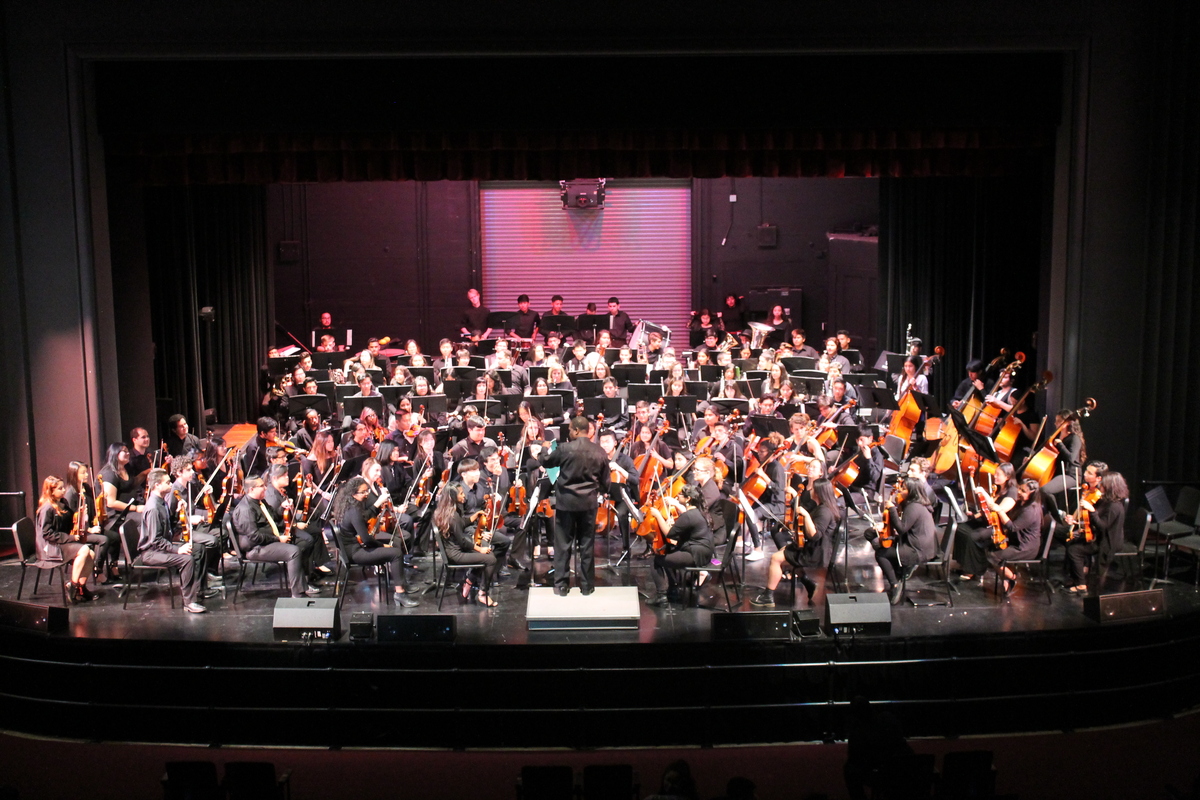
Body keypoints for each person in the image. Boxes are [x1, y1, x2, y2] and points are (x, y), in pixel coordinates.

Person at [535, 415, 610, 595]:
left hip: (566, 503)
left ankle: (561, 585)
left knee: (563, 545)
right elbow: (606, 482)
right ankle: (587, 586)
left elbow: (546, 462)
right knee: (586, 545)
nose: (569, 432)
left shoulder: (565, 448)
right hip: (589, 504)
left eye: (570, 430)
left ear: (576, 430)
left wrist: (543, 450)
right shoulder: (599, 451)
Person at [330, 477, 420, 607]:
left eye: (367, 491)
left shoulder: (350, 504)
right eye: (363, 492)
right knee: (396, 553)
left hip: (354, 546)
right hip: (355, 552)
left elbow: (365, 518)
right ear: (353, 493)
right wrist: (383, 545)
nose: (367, 494)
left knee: (395, 543)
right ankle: (400, 594)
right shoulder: (353, 510)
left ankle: (401, 583)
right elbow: (366, 540)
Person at [751, 478, 840, 608]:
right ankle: (808, 584)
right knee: (783, 553)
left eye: (813, 489)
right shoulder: (820, 507)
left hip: (815, 552)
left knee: (776, 559)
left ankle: (768, 596)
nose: (811, 491)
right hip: (813, 548)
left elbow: (815, 535)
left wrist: (806, 515)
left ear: (819, 492)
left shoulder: (824, 511)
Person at [229, 475, 320, 598]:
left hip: (269, 540)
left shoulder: (260, 502)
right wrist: (278, 539)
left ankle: (303, 582)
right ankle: (297, 593)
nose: (265, 488)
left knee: (306, 541)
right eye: (261, 486)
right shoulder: (246, 509)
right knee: (294, 552)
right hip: (256, 548)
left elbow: (274, 517)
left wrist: (283, 508)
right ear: (251, 489)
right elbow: (254, 536)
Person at [137, 468, 205, 612]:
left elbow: (169, 527)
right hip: (152, 552)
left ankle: (198, 590)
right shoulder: (154, 508)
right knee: (186, 560)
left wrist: (178, 511)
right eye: (167, 482)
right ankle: (189, 602)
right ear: (157, 485)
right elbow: (155, 540)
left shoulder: (162, 502)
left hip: (161, 547)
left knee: (199, 549)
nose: (170, 485)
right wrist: (177, 549)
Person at [866, 477, 938, 604]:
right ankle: (898, 573)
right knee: (879, 542)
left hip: (917, 550)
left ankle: (895, 584)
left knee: (881, 554)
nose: (900, 490)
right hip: (920, 546)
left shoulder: (914, 507)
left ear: (912, 492)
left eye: (904, 489)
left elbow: (902, 528)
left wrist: (892, 509)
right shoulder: (918, 504)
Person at [645, 485, 715, 607]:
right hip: (703, 551)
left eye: (681, 495)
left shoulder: (689, 515)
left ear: (688, 499)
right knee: (668, 550)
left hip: (695, 554)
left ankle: (661, 596)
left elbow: (670, 534)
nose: (678, 496)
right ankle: (673, 588)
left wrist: (658, 515)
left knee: (655, 560)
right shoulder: (698, 511)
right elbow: (682, 531)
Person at [434, 480, 500, 607]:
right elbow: (463, 542)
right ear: (453, 497)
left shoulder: (446, 511)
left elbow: (462, 523)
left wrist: (475, 516)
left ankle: (469, 582)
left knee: (484, 549)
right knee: (490, 559)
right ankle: (482, 594)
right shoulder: (452, 516)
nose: (463, 496)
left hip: (453, 550)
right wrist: (478, 549)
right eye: (460, 494)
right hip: (456, 554)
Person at [35, 475, 99, 602]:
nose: (63, 490)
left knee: (91, 554)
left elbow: (70, 521)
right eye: (60, 488)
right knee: (84, 550)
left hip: (60, 542)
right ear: (50, 491)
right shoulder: (47, 509)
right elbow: (47, 534)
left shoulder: (63, 503)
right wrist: (71, 537)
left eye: (62, 487)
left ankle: (81, 588)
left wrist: (81, 515)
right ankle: (73, 586)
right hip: (50, 547)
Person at [1064, 469, 1128, 595]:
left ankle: (1081, 585)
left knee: (1074, 550)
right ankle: (1076, 578)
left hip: (1108, 542)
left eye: (1103, 484)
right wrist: (1078, 522)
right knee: (1072, 542)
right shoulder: (1106, 501)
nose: (1100, 486)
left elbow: (1103, 526)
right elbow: (1095, 521)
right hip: (1100, 537)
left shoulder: (1114, 506)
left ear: (1110, 486)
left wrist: (1092, 510)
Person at [954, 462, 1019, 582]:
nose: (995, 477)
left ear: (1008, 477)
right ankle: (963, 563)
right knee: (961, 528)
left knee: (973, 536)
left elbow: (999, 509)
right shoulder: (1000, 488)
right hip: (989, 521)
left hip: (999, 527)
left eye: (998, 475)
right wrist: (975, 515)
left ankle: (974, 570)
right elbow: (987, 509)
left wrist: (984, 493)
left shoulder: (1012, 492)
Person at [980, 477, 1044, 595]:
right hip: (1017, 541)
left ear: (1032, 494)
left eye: (1023, 491)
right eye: (1020, 488)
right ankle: (1006, 579)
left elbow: (1013, 527)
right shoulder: (1021, 504)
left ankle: (1013, 577)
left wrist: (1000, 511)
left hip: (1026, 547)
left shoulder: (1030, 510)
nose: (1019, 492)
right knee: (989, 546)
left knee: (993, 556)